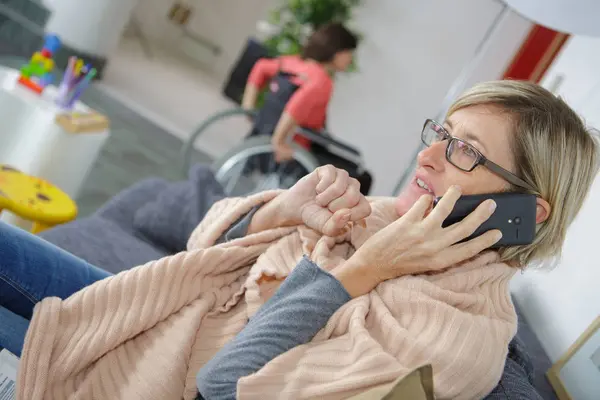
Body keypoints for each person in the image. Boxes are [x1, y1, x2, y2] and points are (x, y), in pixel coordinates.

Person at [1, 80, 598, 400]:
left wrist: (359, 273)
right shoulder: (387, 215)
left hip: (151, 375)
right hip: (148, 309)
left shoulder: (455, 338)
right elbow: (207, 257)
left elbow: (227, 387)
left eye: (465, 150)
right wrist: (275, 215)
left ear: (526, 211)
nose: (428, 154)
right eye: (443, 132)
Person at [242, 22, 358, 163]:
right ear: (336, 52)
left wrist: (248, 107)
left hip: (262, 135)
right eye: (349, 53)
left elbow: (261, 67)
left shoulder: (292, 63)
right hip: (297, 150)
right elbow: (298, 104)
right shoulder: (322, 81)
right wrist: (278, 141)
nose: (350, 60)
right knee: (358, 170)